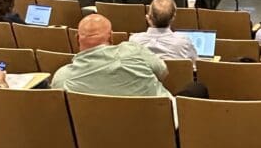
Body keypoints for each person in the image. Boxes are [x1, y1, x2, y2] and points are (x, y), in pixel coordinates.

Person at [52, 14, 180, 97]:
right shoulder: (134, 50)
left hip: (98, 136)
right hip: (159, 128)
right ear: (111, 37)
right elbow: (162, 72)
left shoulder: (62, 79)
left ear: (77, 39)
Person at [129, 0, 199, 61]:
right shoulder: (183, 42)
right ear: (173, 18)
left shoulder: (134, 41)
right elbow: (196, 64)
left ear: (148, 18)